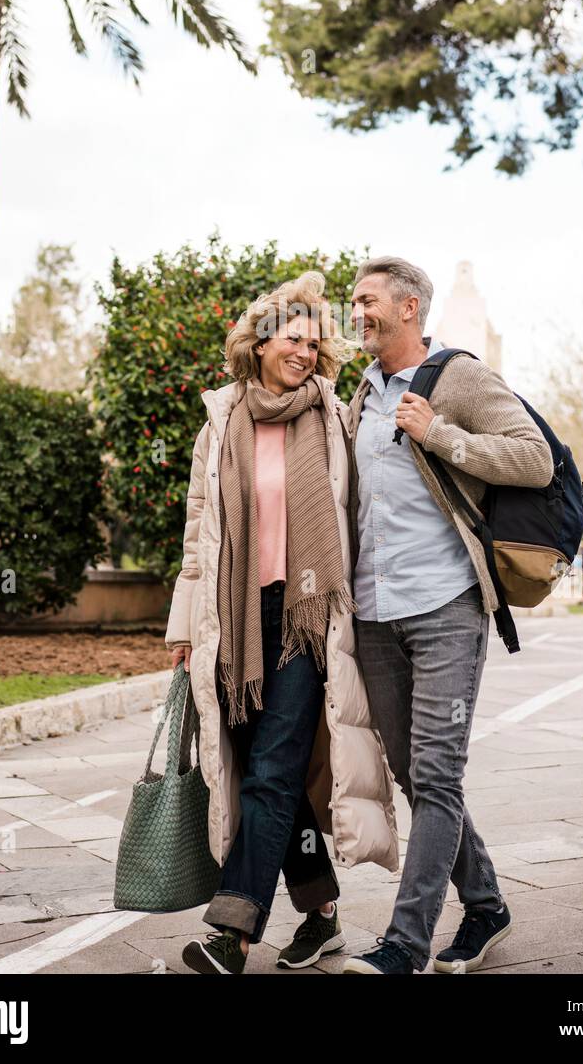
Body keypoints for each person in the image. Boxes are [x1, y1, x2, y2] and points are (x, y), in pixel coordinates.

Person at [165, 270, 399, 975]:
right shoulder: (222, 420)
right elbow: (198, 531)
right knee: (274, 779)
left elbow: (368, 500)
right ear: (259, 342)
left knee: (270, 772)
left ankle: (230, 934)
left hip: (307, 618)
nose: (304, 351)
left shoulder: (329, 413)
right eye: (292, 339)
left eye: (313, 342)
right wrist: (181, 629)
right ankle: (321, 913)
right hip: (236, 622)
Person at [340, 256, 554, 976]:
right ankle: (487, 905)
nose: (356, 311)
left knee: (435, 775)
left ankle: (404, 943)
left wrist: (441, 437)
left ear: (408, 308)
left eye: (366, 300)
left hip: (445, 609)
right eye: (352, 301)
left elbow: (534, 460)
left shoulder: (458, 377)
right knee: (410, 771)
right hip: (374, 615)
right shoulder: (360, 393)